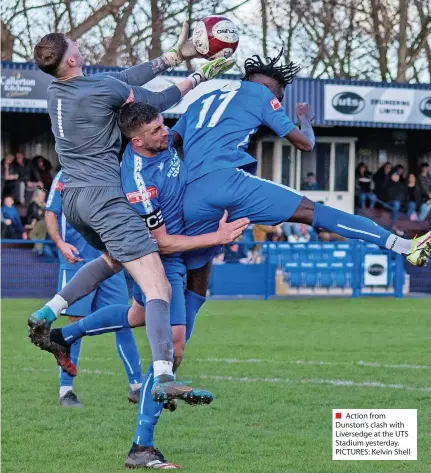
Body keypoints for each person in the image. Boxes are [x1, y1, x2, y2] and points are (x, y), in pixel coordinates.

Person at [28, 27, 234, 403]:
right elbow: (153, 101)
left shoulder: (58, 90)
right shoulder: (99, 89)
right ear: (71, 59)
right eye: (75, 45)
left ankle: (48, 312)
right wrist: (198, 77)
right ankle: (163, 376)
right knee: (159, 287)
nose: (79, 45)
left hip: (74, 200)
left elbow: (122, 80)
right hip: (104, 198)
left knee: (112, 261)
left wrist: (175, 55)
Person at [46, 103, 248, 468]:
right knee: (173, 345)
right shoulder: (136, 181)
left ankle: (68, 334)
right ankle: (142, 446)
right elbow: (164, 242)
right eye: (156, 130)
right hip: (158, 257)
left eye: (163, 124)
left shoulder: (163, 140)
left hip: (171, 253)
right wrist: (215, 236)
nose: (165, 131)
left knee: (138, 315)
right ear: (137, 141)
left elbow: (183, 126)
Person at [170, 51, 431, 299]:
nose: (278, 105)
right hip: (229, 181)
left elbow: (169, 140)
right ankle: (405, 247)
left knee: (194, 277)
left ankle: (170, 342)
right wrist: (305, 119)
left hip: (191, 194)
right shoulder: (263, 95)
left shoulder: (201, 101)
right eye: (280, 99)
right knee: (315, 213)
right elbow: (305, 143)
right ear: (272, 90)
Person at [45, 170, 142, 407]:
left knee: (124, 320)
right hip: (76, 260)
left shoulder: (114, 171)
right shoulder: (65, 175)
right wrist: (60, 244)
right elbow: (50, 213)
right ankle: (65, 391)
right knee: (75, 322)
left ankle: (137, 387)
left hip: (110, 260)